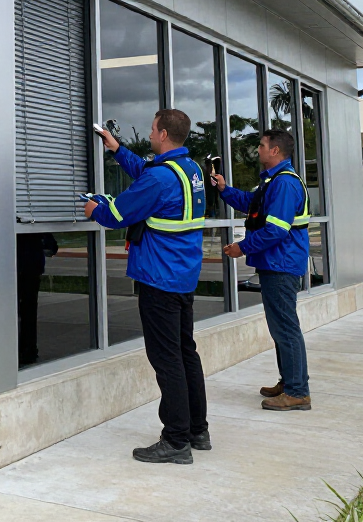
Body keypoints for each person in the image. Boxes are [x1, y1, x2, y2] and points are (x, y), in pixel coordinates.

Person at [85, 108, 210, 465]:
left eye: (154, 129)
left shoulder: (159, 178)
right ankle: (197, 430)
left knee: (166, 359)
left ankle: (175, 440)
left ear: (164, 135)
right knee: (186, 353)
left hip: (159, 279)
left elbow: (116, 215)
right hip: (182, 277)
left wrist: (95, 208)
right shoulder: (189, 170)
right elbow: (148, 175)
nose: (151, 134)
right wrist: (117, 149)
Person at [211, 129, 311, 411]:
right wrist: (223, 189)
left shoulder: (284, 184)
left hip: (281, 264)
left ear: (275, 151)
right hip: (276, 263)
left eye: (261, 146)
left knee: (286, 328)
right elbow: (251, 205)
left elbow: (276, 230)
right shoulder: (273, 181)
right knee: (281, 328)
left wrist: (242, 248)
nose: (258, 150)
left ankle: (297, 391)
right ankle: (290, 381)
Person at [16, 232, 60, 367]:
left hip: (22, 266)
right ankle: (28, 350)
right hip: (30, 267)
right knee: (28, 311)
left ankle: (25, 350)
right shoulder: (31, 222)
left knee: (20, 310)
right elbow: (51, 246)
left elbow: (50, 245)